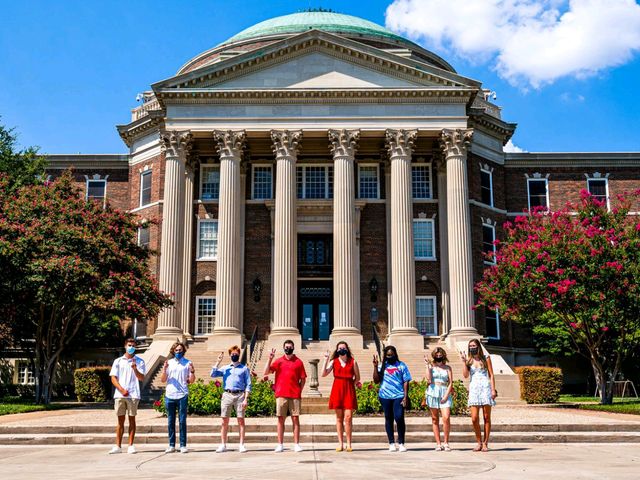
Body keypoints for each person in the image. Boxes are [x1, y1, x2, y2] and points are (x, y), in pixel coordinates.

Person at [263, 339, 307, 453]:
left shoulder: (298, 362)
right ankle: (280, 444)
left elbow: (303, 379)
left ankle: (296, 444)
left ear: (293, 347)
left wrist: (299, 390)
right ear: (284, 348)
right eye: (286, 347)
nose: (288, 349)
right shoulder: (279, 361)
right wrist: (270, 358)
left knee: (295, 419)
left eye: (290, 347)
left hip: (294, 395)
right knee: (280, 419)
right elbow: (266, 372)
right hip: (281, 394)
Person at [210, 345, 252, 453]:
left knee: (241, 420)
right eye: (232, 354)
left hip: (240, 395)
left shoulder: (244, 368)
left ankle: (241, 444)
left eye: (236, 354)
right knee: (224, 420)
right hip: (227, 395)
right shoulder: (225, 368)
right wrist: (218, 362)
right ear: (230, 355)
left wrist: (246, 399)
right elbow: (213, 374)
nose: (234, 355)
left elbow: (248, 384)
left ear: (239, 354)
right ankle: (223, 444)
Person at [108, 338, 146, 454]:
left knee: (132, 420)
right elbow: (113, 378)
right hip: (120, 394)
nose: (131, 347)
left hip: (133, 394)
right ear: (125, 346)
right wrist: (121, 389)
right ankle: (118, 446)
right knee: (120, 421)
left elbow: (141, 378)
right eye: (129, 345)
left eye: (133, 346)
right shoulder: (118, 361)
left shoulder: (140, 361)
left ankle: (131, 445)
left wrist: (135, 369)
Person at [322, 341, 361, 452]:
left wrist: (350, 385)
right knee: (339, 418)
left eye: (343, 348)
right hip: (337, 390)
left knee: (348, 418)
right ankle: (340, 443)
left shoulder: (353, 362)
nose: (341, 350)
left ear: (347, 349)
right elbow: (323, 374)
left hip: (348, 390)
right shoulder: (333, 362)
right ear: (337, 350)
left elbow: (357, 378)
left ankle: (349, 443)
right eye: (339, 348)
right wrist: (325, 360)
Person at [373, 345, 411, 452]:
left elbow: (406, 381)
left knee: (399, 417)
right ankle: (391, 442)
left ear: (395, 354)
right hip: (385, 396)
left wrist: (405, 396)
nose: (390, 356)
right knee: (388, 418)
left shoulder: (401, 365)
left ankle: (401, 442)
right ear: (385, 355)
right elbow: (376, 380)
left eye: (392, 354)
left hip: (398, 395)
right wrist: (375, 367)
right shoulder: (382, 366)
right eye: (388, 355)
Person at [462, 338, 497, 452]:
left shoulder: (486, 358)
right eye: (470, 346)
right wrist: (464, 362)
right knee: (474, 418)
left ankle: (485, 443)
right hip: (474, 389)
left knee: (487, 417)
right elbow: (466, 376)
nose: (472, 347)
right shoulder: (469, 360)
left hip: (485, 389)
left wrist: (493, 390)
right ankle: (479, 442)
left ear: (478, 346)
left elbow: (491, 375)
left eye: (474, 345)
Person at [161, 342, 195, 454]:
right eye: (176, 350)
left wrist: (192, 371)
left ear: (183, 351)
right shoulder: (169, 363)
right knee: (171, 421)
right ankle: (171, 445)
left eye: (180, 350)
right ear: (173, 351)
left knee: (182, 421)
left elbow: (191, 380)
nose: (178, 352)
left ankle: (183, 445)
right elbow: (163, 379)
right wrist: (164, 368)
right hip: (170, 395)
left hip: (182, 395)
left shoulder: (187, 363)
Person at [424, 347, 453, 451]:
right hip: (433, 392)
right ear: (434, 356)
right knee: (435, 419)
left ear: (443, 355)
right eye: (437, 355)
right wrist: (427, 365)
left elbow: (450, 383)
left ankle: (446, 442)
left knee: (446, 417)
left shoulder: (448, 368)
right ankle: (438, 443)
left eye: (440, 355)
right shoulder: (431, 367)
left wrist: (446, 396)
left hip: (444, 392)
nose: (438, 356)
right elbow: (428, 379)